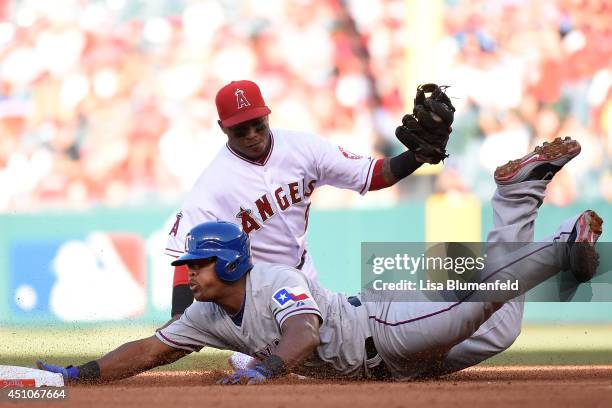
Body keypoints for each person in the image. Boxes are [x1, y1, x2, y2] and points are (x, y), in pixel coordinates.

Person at [38, 137, 604, 383]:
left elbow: (304, 332)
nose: (190, 273)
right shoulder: (207, 314)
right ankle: (518, 195)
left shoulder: (278, 279)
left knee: (482, 298)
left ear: (232, 265)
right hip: (395, 368)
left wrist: (264, 370)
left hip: (385, 331)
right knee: (501, 327)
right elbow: (150, 348)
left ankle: (563, 245)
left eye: (200, 264)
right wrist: (82, 374)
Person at [163, 80, 452, 368]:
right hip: (254, 294)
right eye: (241, 129)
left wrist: (416, 158)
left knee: (331, 352)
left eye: (258, 125)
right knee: (262, 365)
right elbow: (182, 253)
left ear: (267, 116)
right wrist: (180, 316)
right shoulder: (213, 184)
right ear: (222, 127)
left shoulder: (302, 148)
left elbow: (371, 174)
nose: (252, 135)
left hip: (304, 277)